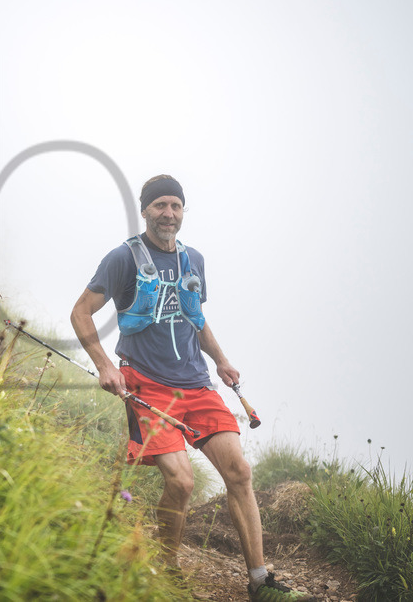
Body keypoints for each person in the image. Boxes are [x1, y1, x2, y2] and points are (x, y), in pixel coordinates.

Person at [70, 175, 314, 602]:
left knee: (239, 472)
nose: (168, 214)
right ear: (145, 211)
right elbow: (80, 313)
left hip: (197, 385)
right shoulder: (123, 259)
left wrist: (220, 360)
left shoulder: (194, 260)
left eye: (176, 206)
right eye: (160, 205)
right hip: (146, 383)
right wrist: (105, 365)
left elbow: (195, 318)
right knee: (181, 482)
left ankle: (260, 582)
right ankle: (167, 568)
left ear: (183, 212)